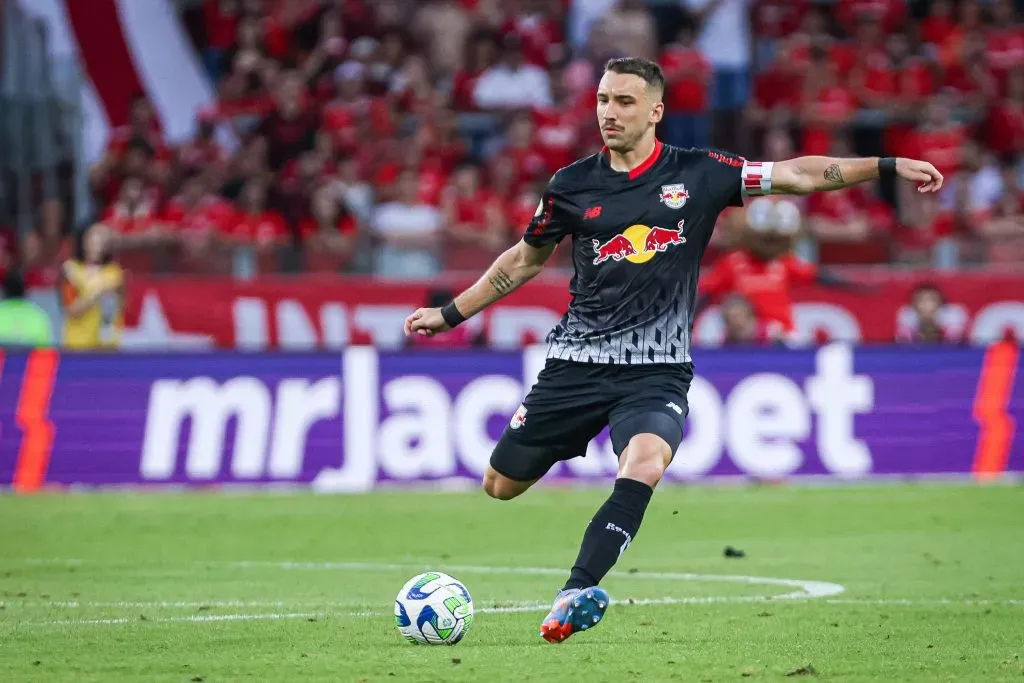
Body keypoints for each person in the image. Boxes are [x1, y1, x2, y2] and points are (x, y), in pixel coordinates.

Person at [403, 57, 943, 643]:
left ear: (656, 111)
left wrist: (888, 166)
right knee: (500, 484)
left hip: (657, 370)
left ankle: (574, 591)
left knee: (646, 461)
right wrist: (451, 312)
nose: (608, 112)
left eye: (624, 102)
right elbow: (522, 260)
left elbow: (800, 175)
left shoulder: (703, 173)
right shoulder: (571, 186)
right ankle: (566, 516)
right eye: (604, 100)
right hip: (576, 364)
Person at [59, 224, 125, 350]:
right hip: (77, 344)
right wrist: (96, 292)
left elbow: (119, 302)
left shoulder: (114, 272)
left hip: (107, 346)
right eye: (92, 238)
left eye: (102, 239)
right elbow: (71, 310)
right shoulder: (70, 270)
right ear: (83, 241)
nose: (96, 244)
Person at [0, 270, 54, 348]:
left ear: (4, 290)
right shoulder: (38, 316)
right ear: (26, 290)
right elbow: (46, 352)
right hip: (32, 360)